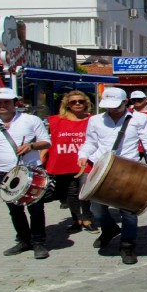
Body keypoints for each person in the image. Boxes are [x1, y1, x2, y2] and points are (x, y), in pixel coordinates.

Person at [77, 87, 147, 264]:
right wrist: (83, 155)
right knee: (97, 208)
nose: (111, 109)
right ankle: (109, 230)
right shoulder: (95, 120)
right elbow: (90, 142)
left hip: (129, 168)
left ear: (126, 102)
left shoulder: (140, 118)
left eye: (115, 106)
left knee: (129, 210)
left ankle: (127, 245)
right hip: (102, 167)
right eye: (108, 106)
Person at [0, 88, 51, 259]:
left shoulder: (31, 120)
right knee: (15, 210)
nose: (2, 105)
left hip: (32, 169)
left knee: (36, 208)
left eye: (6, 102)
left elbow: (46, 142)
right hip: (5, 172)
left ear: (15, 103)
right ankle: (24, 240)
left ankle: (38, 242)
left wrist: (31, 146)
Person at [42, 90, 98, 234]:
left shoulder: (93, 120)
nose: (77, 104)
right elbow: (45, 140)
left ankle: (87, 218)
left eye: (81, 101)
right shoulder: (55, 120)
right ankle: (76, 220)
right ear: (67, 105)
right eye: (73, 102)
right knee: (71, 192)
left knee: (85, 191)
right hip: (64, 160)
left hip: (86, 161)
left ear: (86, 103)